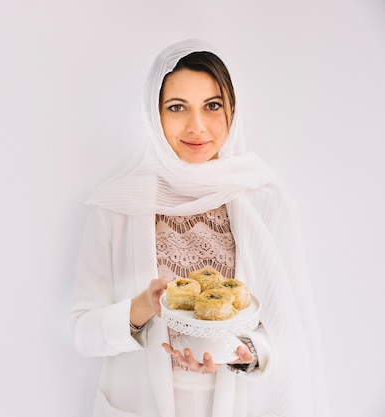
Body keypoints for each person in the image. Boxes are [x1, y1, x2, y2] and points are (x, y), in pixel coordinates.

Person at [69, 39, 329, 417]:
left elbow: (291, 325)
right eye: (177, 108)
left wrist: (241, 353)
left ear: (232, 111)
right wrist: (140, 309)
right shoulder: (117, 204)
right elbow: (81, 331)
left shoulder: (264, 199)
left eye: (212, 106)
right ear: (153, 115)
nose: (197, 126)